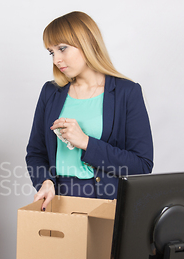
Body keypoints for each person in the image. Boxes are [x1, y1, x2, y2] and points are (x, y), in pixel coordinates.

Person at [26, 11, 153, 210]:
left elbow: (142, 165)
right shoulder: (50, 92)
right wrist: (45, 182)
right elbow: (36, 152)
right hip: (58, 200)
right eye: (52, 52)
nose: (56, 60)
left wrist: (86, 143)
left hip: (106, 201)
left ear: (87, 43)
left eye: (62, 48)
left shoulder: (126, 93)